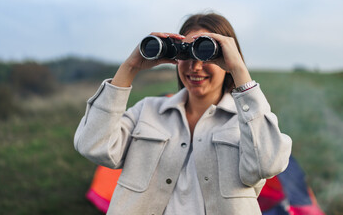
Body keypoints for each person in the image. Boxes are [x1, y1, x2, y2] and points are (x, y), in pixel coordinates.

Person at [74, 12, 292, 215]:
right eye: (186, 54)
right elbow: (93, 144)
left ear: (227, 60)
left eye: (207, 54)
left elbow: (268, 163)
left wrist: (240, 71)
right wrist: (130, 67)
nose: (195, 67)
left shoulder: (247, 121)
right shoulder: (148, 111)